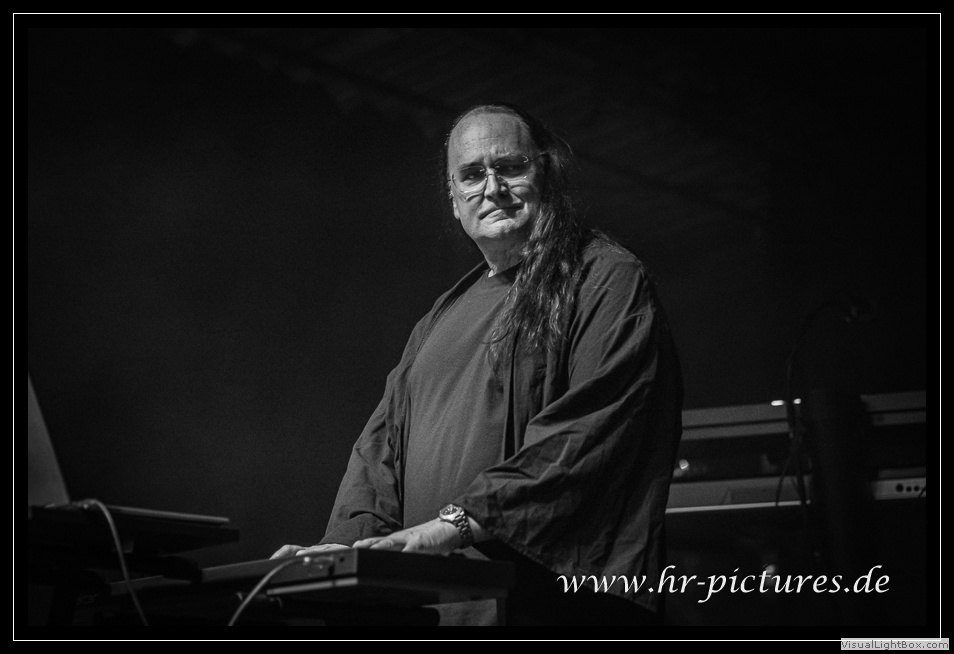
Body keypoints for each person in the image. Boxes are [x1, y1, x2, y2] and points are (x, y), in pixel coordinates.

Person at [272, 102, 683, 626]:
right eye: (471, 175)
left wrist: (454, 526)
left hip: (548, 612)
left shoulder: (604, 278)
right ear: (453, 199)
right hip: (436, 610)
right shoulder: (438, 318)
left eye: (510, 167)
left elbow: (591, 434)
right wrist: (343, 547)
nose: (492, 188)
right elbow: (378, 454)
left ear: (546, 173)